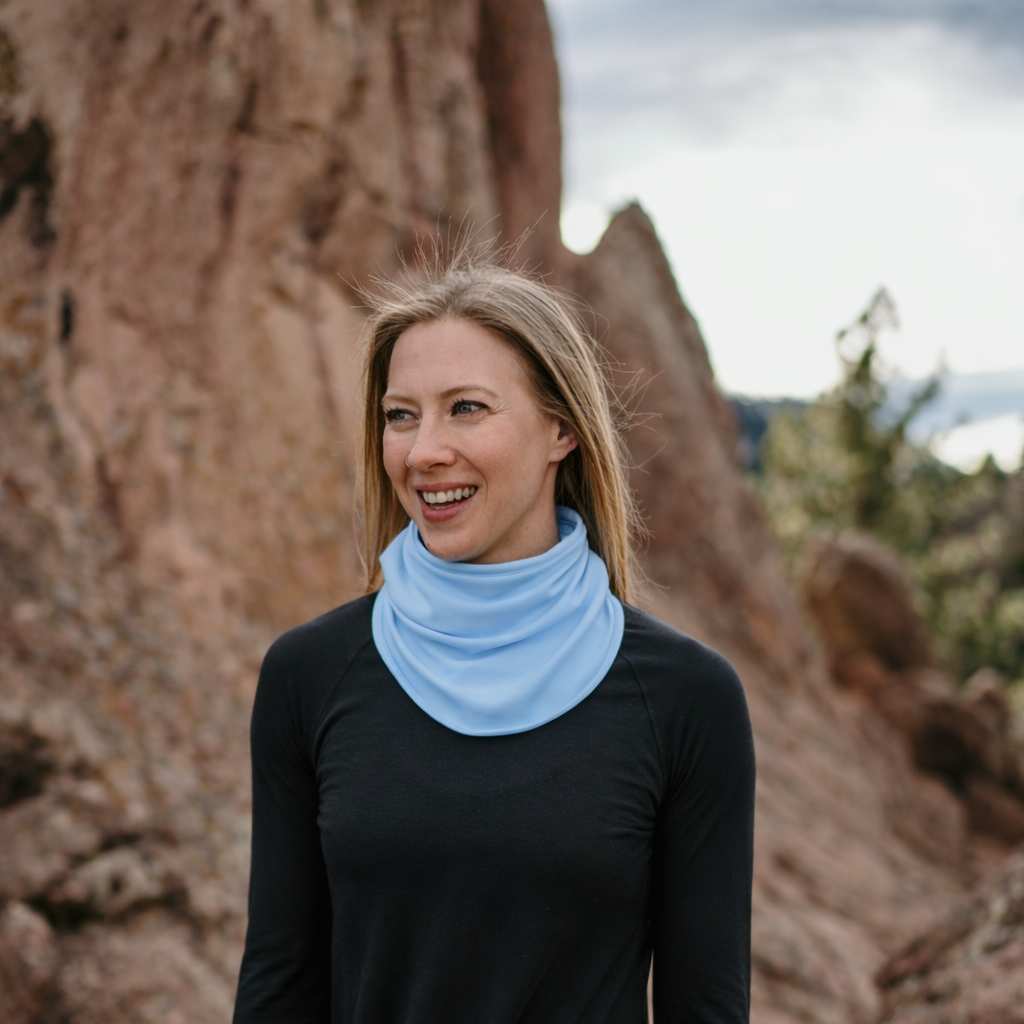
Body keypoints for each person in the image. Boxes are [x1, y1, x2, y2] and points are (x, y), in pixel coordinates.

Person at [232, 253, 756, 1024]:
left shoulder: (686, 700)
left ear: (562, 430)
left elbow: (705, 1010)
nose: (423, 452)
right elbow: (278, 988)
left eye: (466, 408)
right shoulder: (310, 676)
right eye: (400, 414)